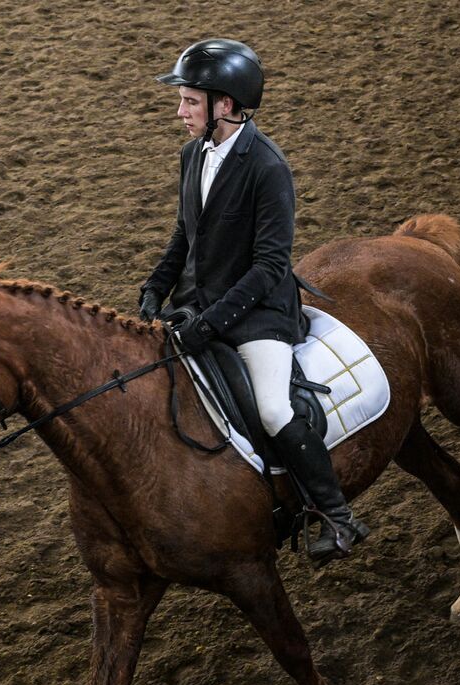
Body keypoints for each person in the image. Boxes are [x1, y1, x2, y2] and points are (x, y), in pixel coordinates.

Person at [138, 38, 368, 561]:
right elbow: (185, 234)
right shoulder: (192, 155)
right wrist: (155, 286)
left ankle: (337, 516)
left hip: (259, 313)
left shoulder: (267, 167)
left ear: (225, 104)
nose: (180, 112)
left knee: (270, 408)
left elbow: (269, 267)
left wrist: (213, 322)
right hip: (201, 306)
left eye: (190, 102)